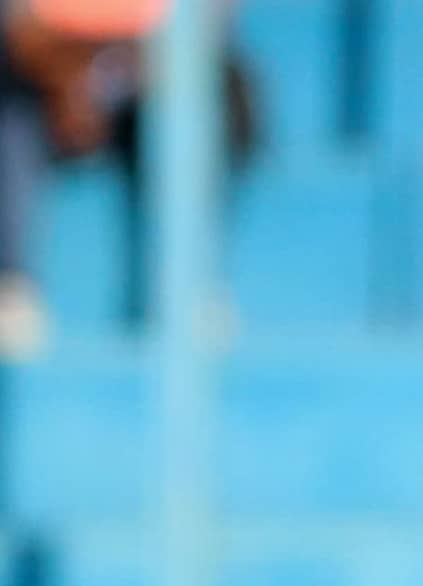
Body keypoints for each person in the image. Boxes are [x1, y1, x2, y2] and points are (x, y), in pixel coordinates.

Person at [0, 0, 259, 362]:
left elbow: (209, 26)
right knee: (11, 103)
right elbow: (18, 25)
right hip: (40, 78)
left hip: (151, 79)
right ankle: (11, 285)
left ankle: (187, 283)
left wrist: (135, 64)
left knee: (220, 95)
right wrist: (66, 71)